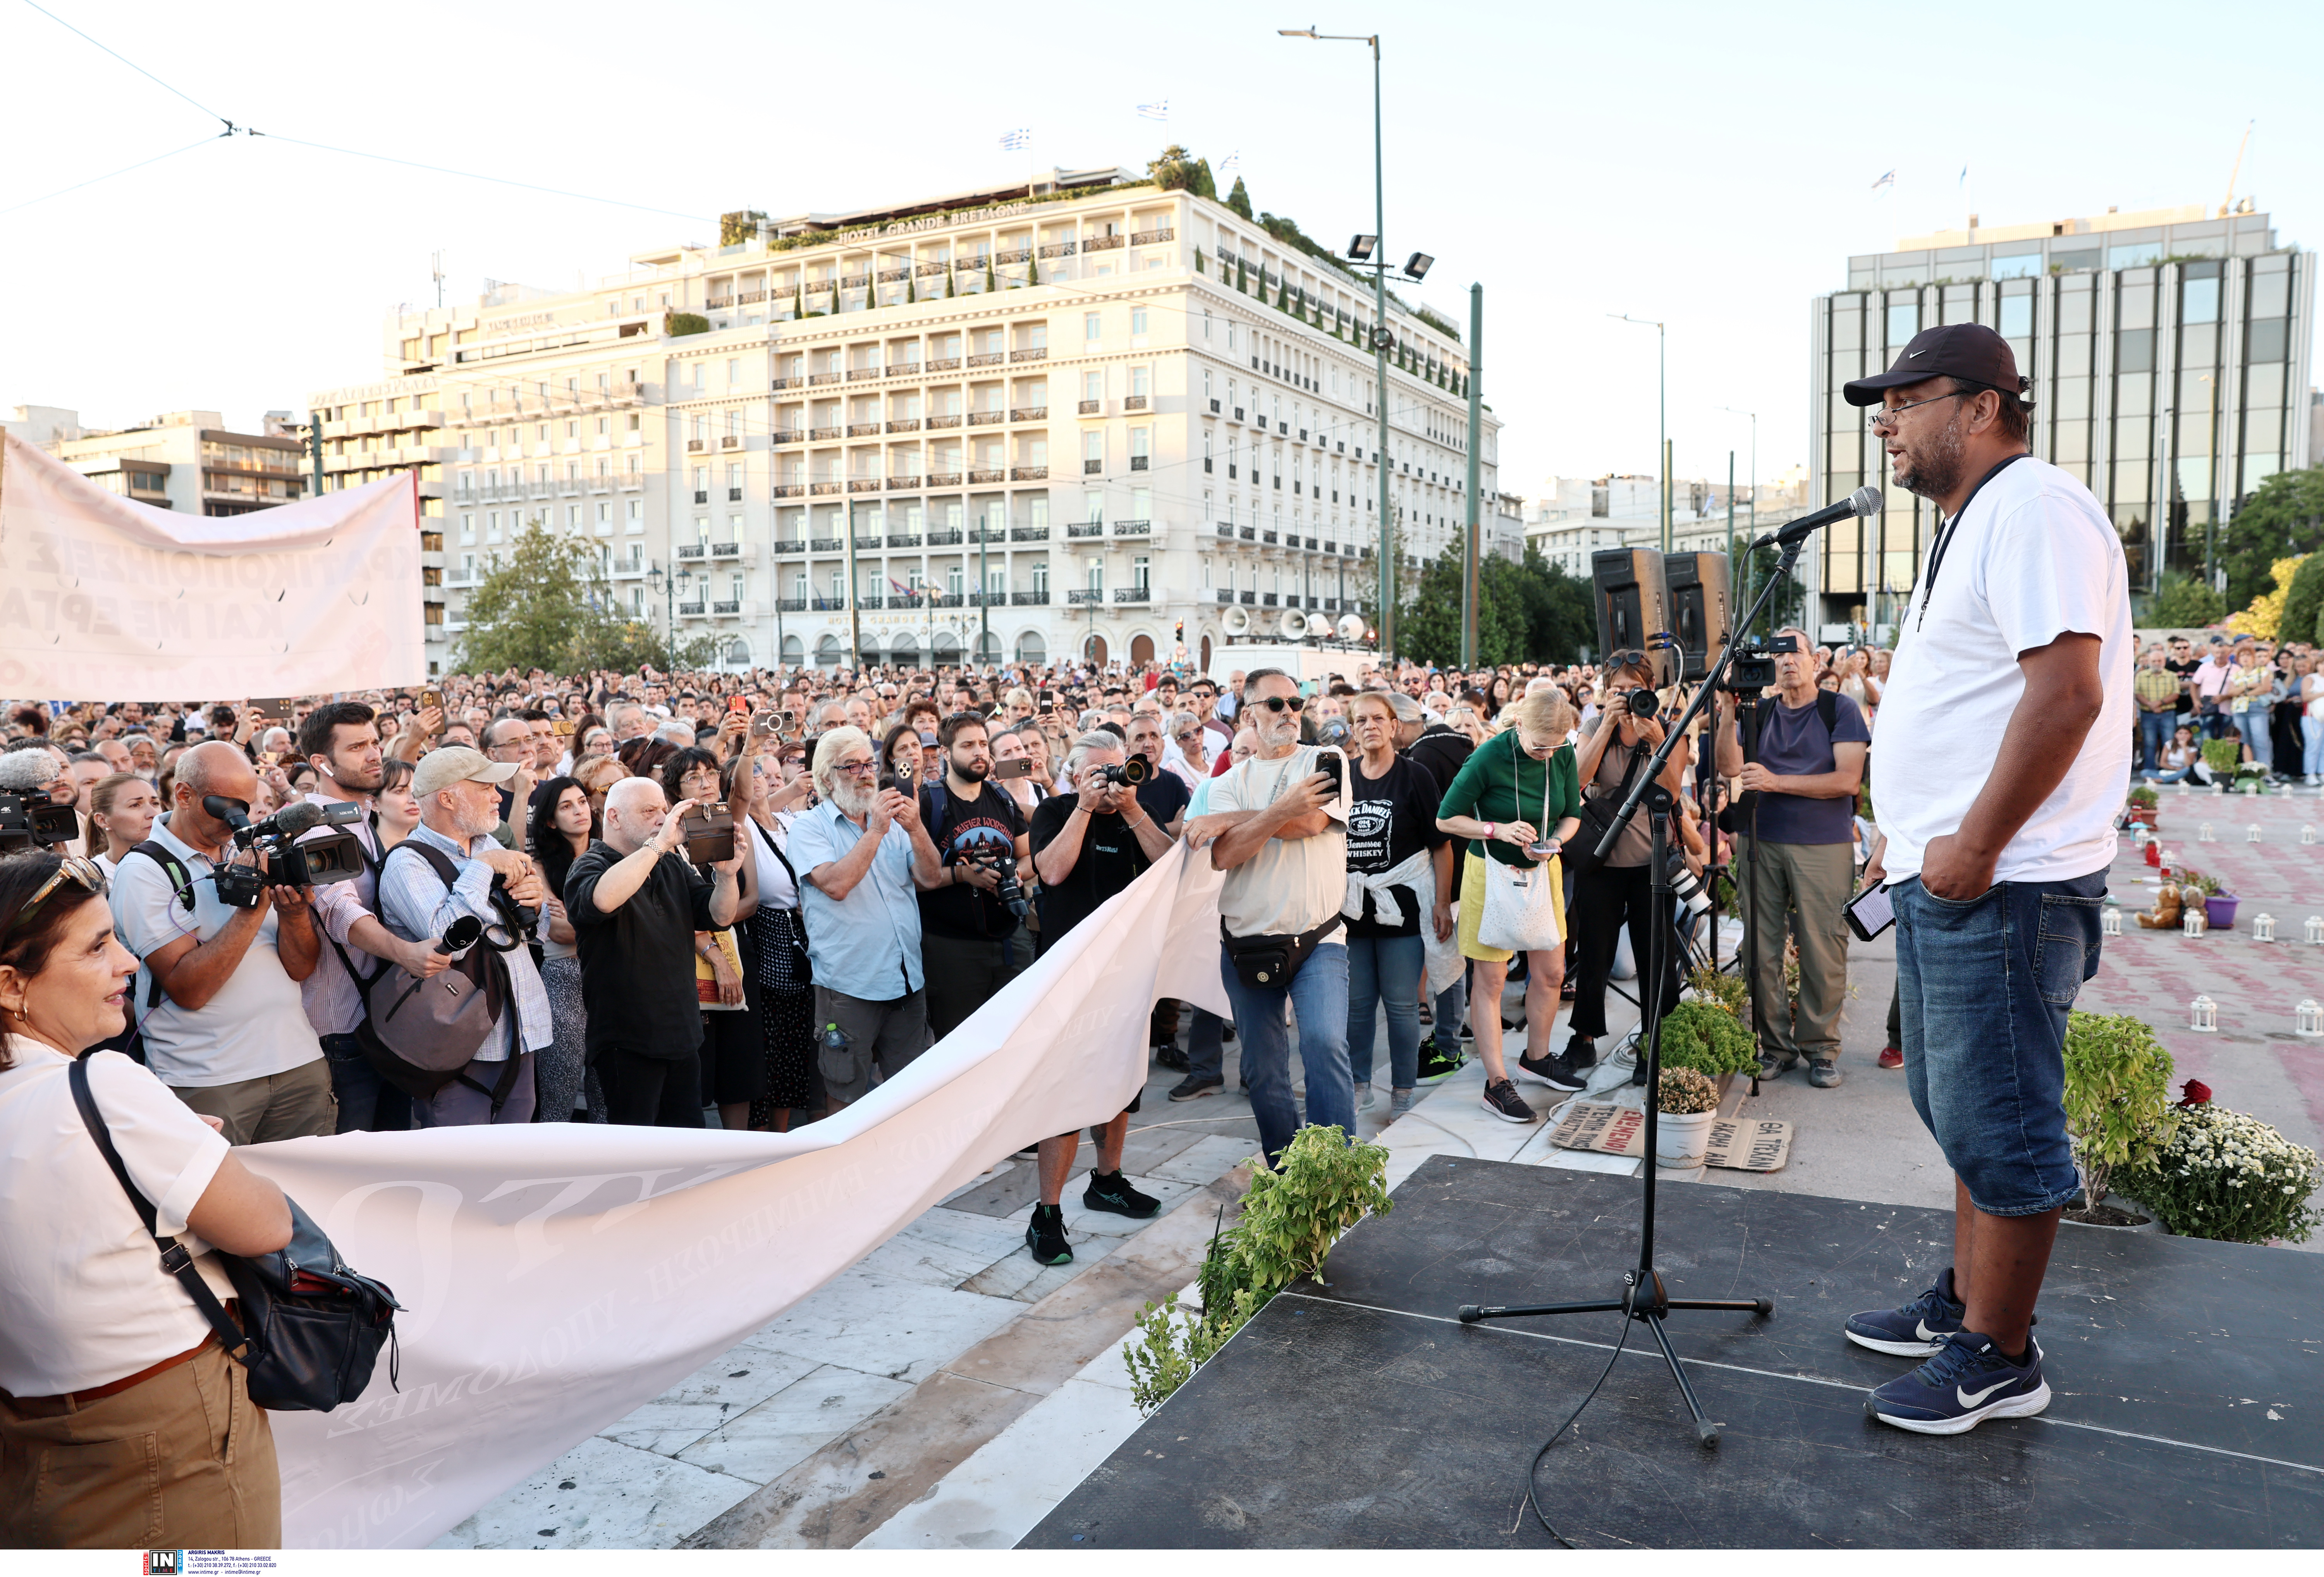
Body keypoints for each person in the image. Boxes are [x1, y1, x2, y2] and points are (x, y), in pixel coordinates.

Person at [1840, 321, 2128, 1434]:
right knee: (1954, 1101)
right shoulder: (1975, 522)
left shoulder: (2032, 506)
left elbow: (2067, 694)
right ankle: (1968, 1300)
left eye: (1907, 400)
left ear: (1983, 407)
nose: (1887, 420)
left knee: (2002, 1116)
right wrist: (1907, 839)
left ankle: (2002, 1353)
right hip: (1949, 867)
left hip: (2005, 878)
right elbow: (1962, 704)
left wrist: (1973, 844)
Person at [0, 851, 294, 1548]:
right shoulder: (106, 1085)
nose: (130, 964)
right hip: (171, 1431)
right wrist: (197, 1149)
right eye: (99, 947)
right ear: (13, 985)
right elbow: (266, 1224)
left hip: (29, 1438)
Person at [106, 741, 333, 1144]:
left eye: (247, 806)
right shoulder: (144, 871)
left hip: (298, 1062)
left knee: (304, 1200)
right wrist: (252, 910)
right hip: (209, 1078)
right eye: (227, 806)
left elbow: (300, 968)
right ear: (184, 795)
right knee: (218, 1203)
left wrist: (295, 913)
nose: (239, 819)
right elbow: (189, 989)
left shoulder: (250, 849)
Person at [1020, 732, 1177, 1264]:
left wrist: (1131, 809)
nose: (1112, 779)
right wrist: (1086, 807)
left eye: (1119, 768)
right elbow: (1053, 870)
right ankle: (1046, 1213)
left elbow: (1170, 867)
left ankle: (1106, 1180)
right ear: (1072, 774)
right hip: (1067, 976)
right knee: (1064, 1098)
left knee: (1121, 1084)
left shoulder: (1136, 811)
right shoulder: (1057, 811)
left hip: (1127, 973)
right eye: (1099, 772)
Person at [1191, 669, 1351, 1168]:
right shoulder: (1225, 782)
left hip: (1319, 937)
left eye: (1296, 704)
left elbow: (1309, 822)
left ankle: (1333, 1175)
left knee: (1326, 1046)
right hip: (1248, 944)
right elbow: (1226, 856)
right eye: (1276, 704)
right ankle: (1287, 1176)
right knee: (1263, 1070)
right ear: (1248, 715)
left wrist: (1237, 819)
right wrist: (1276, 810)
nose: (1289, 714)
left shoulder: (1327, 759)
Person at [1712, 627, 1872, 1089]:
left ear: (1815, 661)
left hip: (1823, 844)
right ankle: (1776, 1047)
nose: (1785, 662)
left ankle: (1821, 1049)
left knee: (1823, 949)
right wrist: (1727, 708)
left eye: (1794, 652)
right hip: (1762, 840)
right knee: (1760, 951)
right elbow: (1728, 767)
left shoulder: (1838, 709)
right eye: (1777, 654)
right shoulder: (1759, 710)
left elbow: (1847, 781)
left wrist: (1777, 782)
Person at [294, 702, 459, 1134]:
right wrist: (405, 953)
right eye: (357, 747)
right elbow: (341, 910)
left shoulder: (362, 816)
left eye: (374, 743)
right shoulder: (315, 827)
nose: (373, 755)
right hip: (343, 1031)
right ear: (321, 763)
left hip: (382, 1020)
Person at [563, 770, 751, 1127]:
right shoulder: (589, 864)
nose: (664, 820)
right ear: (614, 816)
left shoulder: (671, 864)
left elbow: (719, 916)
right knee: (638, 1154)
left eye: (664, 810)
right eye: (650, 812)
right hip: (627, 1040)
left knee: (687, 1145)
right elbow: (603, 899)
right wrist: (660, 845)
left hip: (682, 1034)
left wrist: (726, 876)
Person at [376, 746, 553, 1125]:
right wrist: (482, 869)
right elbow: (447, 940)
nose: (498, 796)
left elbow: (537, 933)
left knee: (514, 1164)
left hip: (519, 1033)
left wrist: (536, 906)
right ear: (447, 798)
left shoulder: (489, 843)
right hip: (457, 1047)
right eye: (486, 787)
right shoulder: (407, 862)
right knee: (462, 1171)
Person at [1434, 686, 1583, 1112]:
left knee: (1552, 971)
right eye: (1541, 746)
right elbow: (1446, 819)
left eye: (1557, 747)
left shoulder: (1562, 754)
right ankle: (1496, 1082)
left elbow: (1572, 813)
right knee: (1493, 980)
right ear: (1519, 724)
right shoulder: (1488, 756)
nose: (1548, 755)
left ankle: (1536, 1059)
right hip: (1490, 873)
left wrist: (1555, 839)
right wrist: (1496, 830)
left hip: (1542, 871)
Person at [787, 729, 943, 1109]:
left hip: (906, 981)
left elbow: (931, 877)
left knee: (914, 1094)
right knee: (845, 1094)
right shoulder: (809, 827)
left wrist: (916, 827)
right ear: (826, 778)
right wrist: (876, 831)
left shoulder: (895, 821)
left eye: (870, 764)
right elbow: (836, 885)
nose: (866, 773)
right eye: (851, 766)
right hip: (848, 988)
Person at [1560, 655, 1687, 1086]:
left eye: (1635, 689)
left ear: (1651, 690)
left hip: (1650, 863)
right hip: (1602, 861)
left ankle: (1656, 1042)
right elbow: (1576, 780)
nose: (1627, 697)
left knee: (1656, 958)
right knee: (1593, 955)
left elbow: (1672, 794)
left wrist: (1656, 740)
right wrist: (1608, 727)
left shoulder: (1664, 730)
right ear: (1605, 691)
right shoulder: (1596, 727)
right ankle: (1584, 1038)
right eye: (1618, 690)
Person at [1340, 691, 1456, 1118]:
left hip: (1403, 909)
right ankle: (1358, 1085)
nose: (1370, 726)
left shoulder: (1416, 776)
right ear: (1353, 730)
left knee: (1404, 1005)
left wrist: (1442, 903)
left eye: (1378, 718)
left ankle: (1403, 1089)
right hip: (1353, 911)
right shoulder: (1344, 778)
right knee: (1356, 1005)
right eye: (1361, 720)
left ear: (1395, 727)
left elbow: (1441, 846)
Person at [744, 749, 820, 1131]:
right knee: (768, 1049)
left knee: (794, 1048)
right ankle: (763, 1139)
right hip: (769, 941)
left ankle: (783, 1133)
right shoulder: (739, 827)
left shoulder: (790, 822)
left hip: (805, 940)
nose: (762, 778)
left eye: (770, 774)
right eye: (755, 772)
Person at [527, 776, 601, 1122]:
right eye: (567, 806)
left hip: (608, 977)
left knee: (607, 1092)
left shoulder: (610, 857)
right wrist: (605, 918)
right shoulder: (539, 866)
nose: (579, 811)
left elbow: (574, 926)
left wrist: (576, 916)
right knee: (559, 1091)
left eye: (582, 802)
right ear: (550, 820)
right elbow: (558, 931)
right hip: (562, 977)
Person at [85, 772, 161, 878]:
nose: (153, 814)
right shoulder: (88, 878)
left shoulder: (180, 865)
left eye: (155, 803)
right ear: (103, 820)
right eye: (135, 805)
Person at [2131, 643, 2183, 779]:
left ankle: (2169, 770)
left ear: (2164, 661)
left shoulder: (2172, 676)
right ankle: (2150, 772)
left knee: (2169, 742)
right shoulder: (2141, 676)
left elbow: (2176, 694)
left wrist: (2159, 704)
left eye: (2160, 661)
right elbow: (2138, 694)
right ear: (2149, 662)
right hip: (2148, 714)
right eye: (2154, 661)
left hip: (2167, 713)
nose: (2157, 663)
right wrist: (2151, 705)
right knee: (2149, 743)